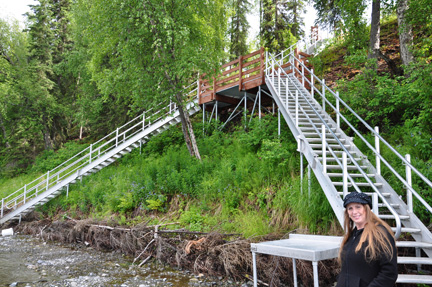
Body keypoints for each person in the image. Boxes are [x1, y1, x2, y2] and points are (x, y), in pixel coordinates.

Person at [336, 191, 398, 287]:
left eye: (358, 207)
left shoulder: (379, 234)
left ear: (366, 208)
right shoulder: (351, 236)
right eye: (350, 208)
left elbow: (389, 273)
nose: (354, 212)